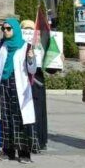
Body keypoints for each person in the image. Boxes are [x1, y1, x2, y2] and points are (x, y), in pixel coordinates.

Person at [0, 18, 38, 163]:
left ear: (15, 30)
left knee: (20, 118)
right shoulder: (0, 45)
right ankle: (8, 151)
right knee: (5, 118)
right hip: (3, 85)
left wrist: (31, 59)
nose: (5, 31)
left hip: (19, 87)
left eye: (8, 29)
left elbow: (32, 69)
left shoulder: (26, 47)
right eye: (3, 29)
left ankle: (24, 153)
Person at [21, 19, 53, 151]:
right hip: (23, 82)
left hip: (37, 82)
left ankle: (39, 140)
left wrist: (57, 60)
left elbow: (51, 67)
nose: (29, 32)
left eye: (31, 30)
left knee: (38, 111)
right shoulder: (18, 46)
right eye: (26, 30)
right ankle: (26, 139)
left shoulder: (41, 45)